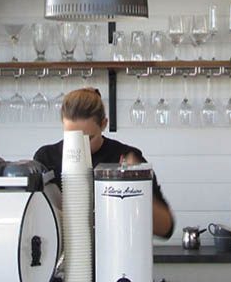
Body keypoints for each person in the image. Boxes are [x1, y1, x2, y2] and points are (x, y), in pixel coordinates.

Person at [34, 87, 174, 239]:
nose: (80, 147)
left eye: (88, 139)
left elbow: (165, 228)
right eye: (72, 137)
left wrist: (135, 185)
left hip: (117, 256)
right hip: (62, 259)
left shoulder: (125, 157)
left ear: (103, 124)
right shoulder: (46, 159)